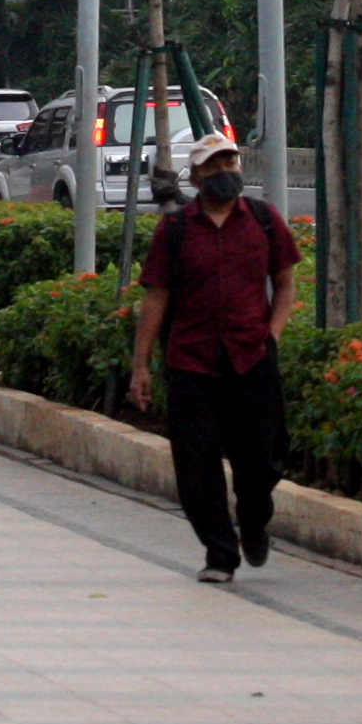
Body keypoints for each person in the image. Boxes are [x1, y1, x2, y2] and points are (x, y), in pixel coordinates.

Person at [126, 128, 300, 584]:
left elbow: (284, 283)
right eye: (214, 166)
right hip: (191, 362)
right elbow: (157, 297)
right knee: (196, 468)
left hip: (252, 358)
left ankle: (255, 521)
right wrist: (141, 365)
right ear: (197, 176)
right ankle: (220, 554)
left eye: (230, 163)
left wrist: (273, 334)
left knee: (262, 461)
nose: (225, 172)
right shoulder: (177, 229)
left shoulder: (263, 220)